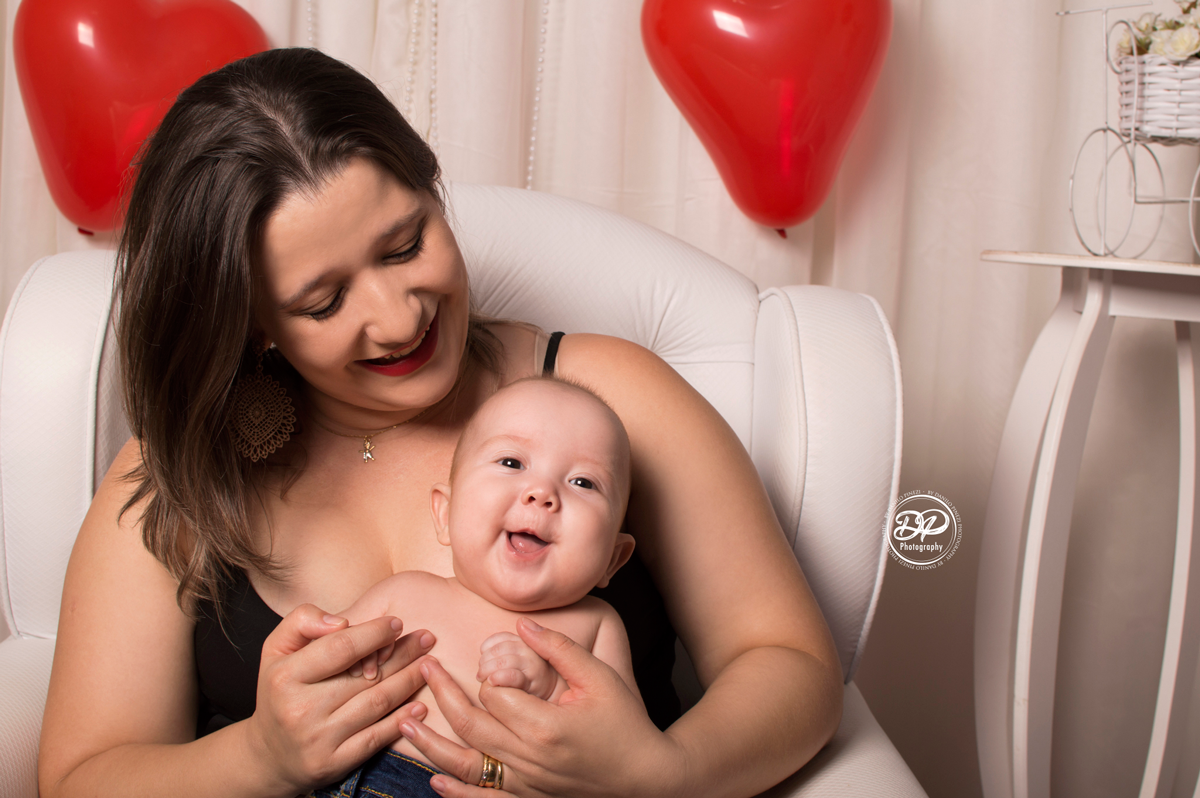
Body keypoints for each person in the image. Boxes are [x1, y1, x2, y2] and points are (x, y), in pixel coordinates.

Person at [38, 47, 843, 798]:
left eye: (404, 245)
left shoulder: (610, 394)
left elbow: (791, 664)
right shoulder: (182, 469)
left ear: (433, 187)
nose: (397, 319)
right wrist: (259, 756)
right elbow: (83, 775)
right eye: (323, 302)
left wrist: (659, 773)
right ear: (252, 323)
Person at [318, 376, 642, 797]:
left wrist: (551, 686)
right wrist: (344, 658)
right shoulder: (404, 594)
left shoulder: (597, 626)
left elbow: (626, 754)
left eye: (583, 482)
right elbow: (316, 682)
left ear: (612, 560)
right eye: (512, 462)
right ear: (445, 514)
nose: (541, 492)